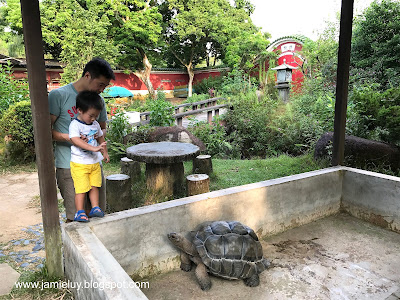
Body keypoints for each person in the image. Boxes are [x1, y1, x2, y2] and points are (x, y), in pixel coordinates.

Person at [49, 58, 115, 222]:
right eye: (100, 85)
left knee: (97, 212)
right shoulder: (59, 95)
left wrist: (95, 137)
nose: (102, 89)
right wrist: (74, 139)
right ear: (87, 76)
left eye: (105, 86)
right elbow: (45, 132)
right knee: (75, 216)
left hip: (93, 163)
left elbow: (102, 128)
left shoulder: (98, 100)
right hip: (69, 166)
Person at [69, 91, 109, 222]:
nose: (93, 119)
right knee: (81, 189)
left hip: (94, 163)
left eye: (96, 116)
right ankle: (79, 212)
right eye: (91, 115)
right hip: (80, 163)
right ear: (79, 110)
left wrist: (105, 152)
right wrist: (94, 148)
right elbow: (75, 140)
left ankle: (95, 207)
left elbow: (100, 138)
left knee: (94, 185)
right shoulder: (75, 125)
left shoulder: (95, 124)